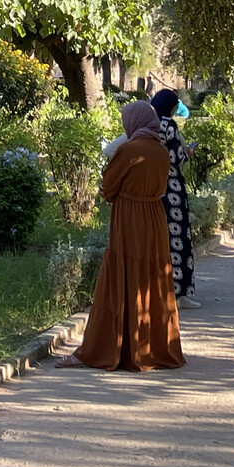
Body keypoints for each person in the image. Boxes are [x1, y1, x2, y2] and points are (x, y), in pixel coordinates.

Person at [56, 101, 185, 372]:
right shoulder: (162, 151)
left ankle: (106, 349)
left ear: (134, 122)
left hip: (130, 217)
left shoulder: (129, 149)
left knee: (121, 276)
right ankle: (153, 349)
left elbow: (108, 186)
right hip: (155, 217)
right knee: (151, 277)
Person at [150, 88, 198, 309]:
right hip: (173, 189)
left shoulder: (149, 124)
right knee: (178, 239)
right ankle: (179, 292)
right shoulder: (168, 125)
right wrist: (188, 152)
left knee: (161, 239)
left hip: (155, 187)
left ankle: (162, 292)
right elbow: (176, 158)